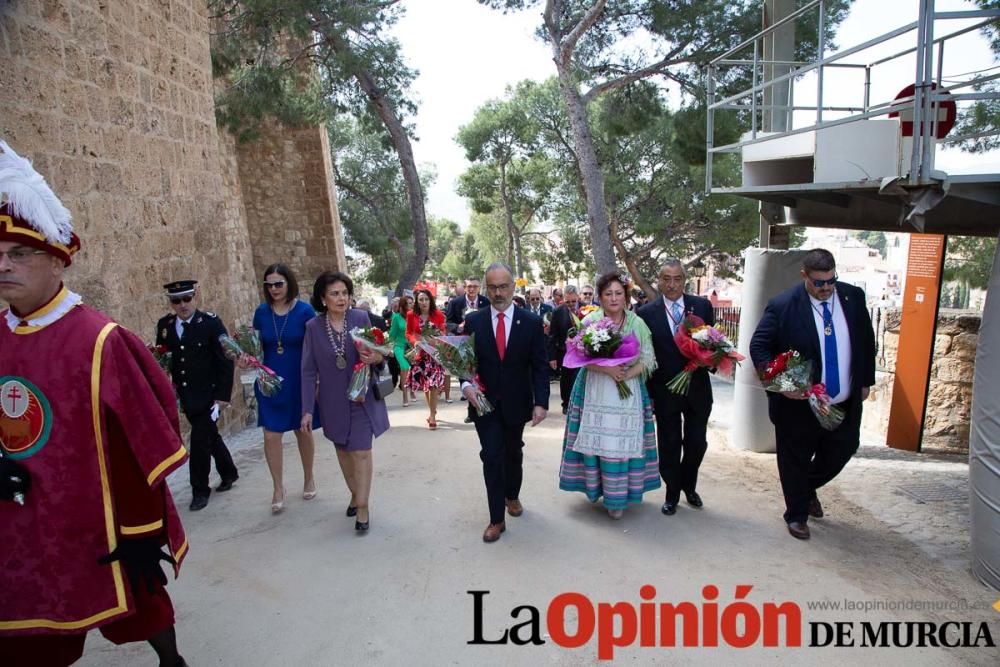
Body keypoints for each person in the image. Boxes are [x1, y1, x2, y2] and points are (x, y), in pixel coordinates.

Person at [0, 140, 188, 666]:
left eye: (19, 254)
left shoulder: (101, 339)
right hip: (19, 522)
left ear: (58, 260)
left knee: (139, 606)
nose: (4, 266)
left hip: (98, 520)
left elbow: (143, 442)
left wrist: (141, 531)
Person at [749, 249, 876, 541]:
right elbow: (760, 348)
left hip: (843, 399)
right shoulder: (783, 306)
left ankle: (804, 490)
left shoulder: (852, 298)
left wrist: (865, 380)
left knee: (843, 449)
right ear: (804, 276)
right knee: (794, 458)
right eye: (819, 283)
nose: (827, 288)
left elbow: (866, 341)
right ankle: (796, 514)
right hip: (799, 404)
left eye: (831, 281)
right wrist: (782, 384)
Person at [559, 271, 660, 519]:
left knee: (620, 444)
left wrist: (626, 374)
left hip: (629, 390)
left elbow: (649, 359)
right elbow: (579, 358)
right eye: (608, 294)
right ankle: (595, 489)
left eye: (618, 293)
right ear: (600, 297)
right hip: (595, 387)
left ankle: (618, 498)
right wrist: (607, 368)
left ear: (625, 296)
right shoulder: (590, 320)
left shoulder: (637, 323)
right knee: (599, 442)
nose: (614, 298)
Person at [462, 262, 549, 542]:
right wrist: (466, 385)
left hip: (517, 402)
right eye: (493, 287)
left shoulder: (532, 323)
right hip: (483, 403)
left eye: (503, 286)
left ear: (513, 287)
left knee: (513, 452)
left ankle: (512, 495)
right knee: (491, 455)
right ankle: (496, 519)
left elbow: (539, 366)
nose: (498, 293)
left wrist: (541, 402)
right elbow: (464, 362)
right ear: (486, 289)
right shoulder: (474, 321)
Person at [301, 271, 390, 532]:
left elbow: (380, 352)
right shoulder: (313, 328)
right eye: (335, 294)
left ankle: (362, 507)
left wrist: (377, 358)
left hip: (361, 396)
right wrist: (307, 410)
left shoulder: (361, 318)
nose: (341, 299)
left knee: (361, 451)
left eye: (345, 293)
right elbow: (307, 371)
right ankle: (354, 493)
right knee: (343, 450)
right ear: (323, 298)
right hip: (332, 401)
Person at [638, 260, 716, 517]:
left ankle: (688, 485)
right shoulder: (646, 313)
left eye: (677, 279)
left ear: (685, 280)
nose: (672, 285)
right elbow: (646, 357)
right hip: (665, 391)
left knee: (696, 443)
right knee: (669, 444)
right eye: (666, 279)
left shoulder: (702, 306)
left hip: (698, 389)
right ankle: (672, 492)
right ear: (658, 280)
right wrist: (648, 393)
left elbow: (713, 343)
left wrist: (711, 359)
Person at [156, 279, 239, 512]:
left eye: (186, 299)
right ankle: (229, 472)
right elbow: (164, 359)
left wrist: (223, 396)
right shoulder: (166, 326)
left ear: (195, 297)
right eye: (176, 301)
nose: (182, 305)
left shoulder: (210, 323)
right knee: (209, 436)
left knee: (199, 441)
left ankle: (200, 490)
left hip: (209, 395)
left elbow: (224, 361)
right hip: (186, 395)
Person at [249, 264, 318, 514]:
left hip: (299, 380)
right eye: (269, 284)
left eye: (278, 283)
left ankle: (309, 477)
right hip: (270, 382)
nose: (274, 289)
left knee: (303, 432)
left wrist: (318, 380)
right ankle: (278, 487)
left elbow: (315, 346)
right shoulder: (261, 313)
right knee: (270, 435)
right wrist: (246, 358)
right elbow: (255, 348)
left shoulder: (304, 311)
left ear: (289, 283)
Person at [405, 289, 448, 429]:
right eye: (421, 300)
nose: (424, 302)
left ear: (431, 300)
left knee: (434, 385)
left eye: (426, 299)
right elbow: (409, 332)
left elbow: (443, 333)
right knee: (426, 385)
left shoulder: (439, 315)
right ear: (417, 302)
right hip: (420, 355)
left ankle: (433, 416)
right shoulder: (411, 315)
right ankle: (432, 410)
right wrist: (414, 342)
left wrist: (436, 341)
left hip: (435, 354)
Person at [547, 285, 582, 414]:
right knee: (566, 378)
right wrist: (552, 357)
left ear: (578, 298)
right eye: (568, 302)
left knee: (579, 377)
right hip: (565, 352)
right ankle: (566, 403)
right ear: (564, 299)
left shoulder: (586, 309)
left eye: (574, 301)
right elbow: (552, 335)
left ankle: (579, 403)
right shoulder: (558, 311)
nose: (571, 304)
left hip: (583, 352)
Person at [388, 294, 413, 406]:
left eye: (412, 303)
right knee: (404, 367)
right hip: (399, 346)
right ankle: (405, 397)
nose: (411, 305)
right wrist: (388, 347)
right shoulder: (396, 317)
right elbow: (392, 334)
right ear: (403, 305)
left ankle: (412, 392)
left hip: (411, 346)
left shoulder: (413, 316)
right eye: (408, 303)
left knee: (413, 369)